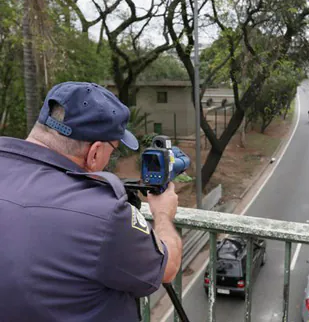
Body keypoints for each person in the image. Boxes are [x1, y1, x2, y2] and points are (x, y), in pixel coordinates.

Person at [0, 82, 183, 321]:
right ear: (95, 152)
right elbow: (167, 269)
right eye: (113, 150)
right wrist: (163, 216)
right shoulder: (104, 216)